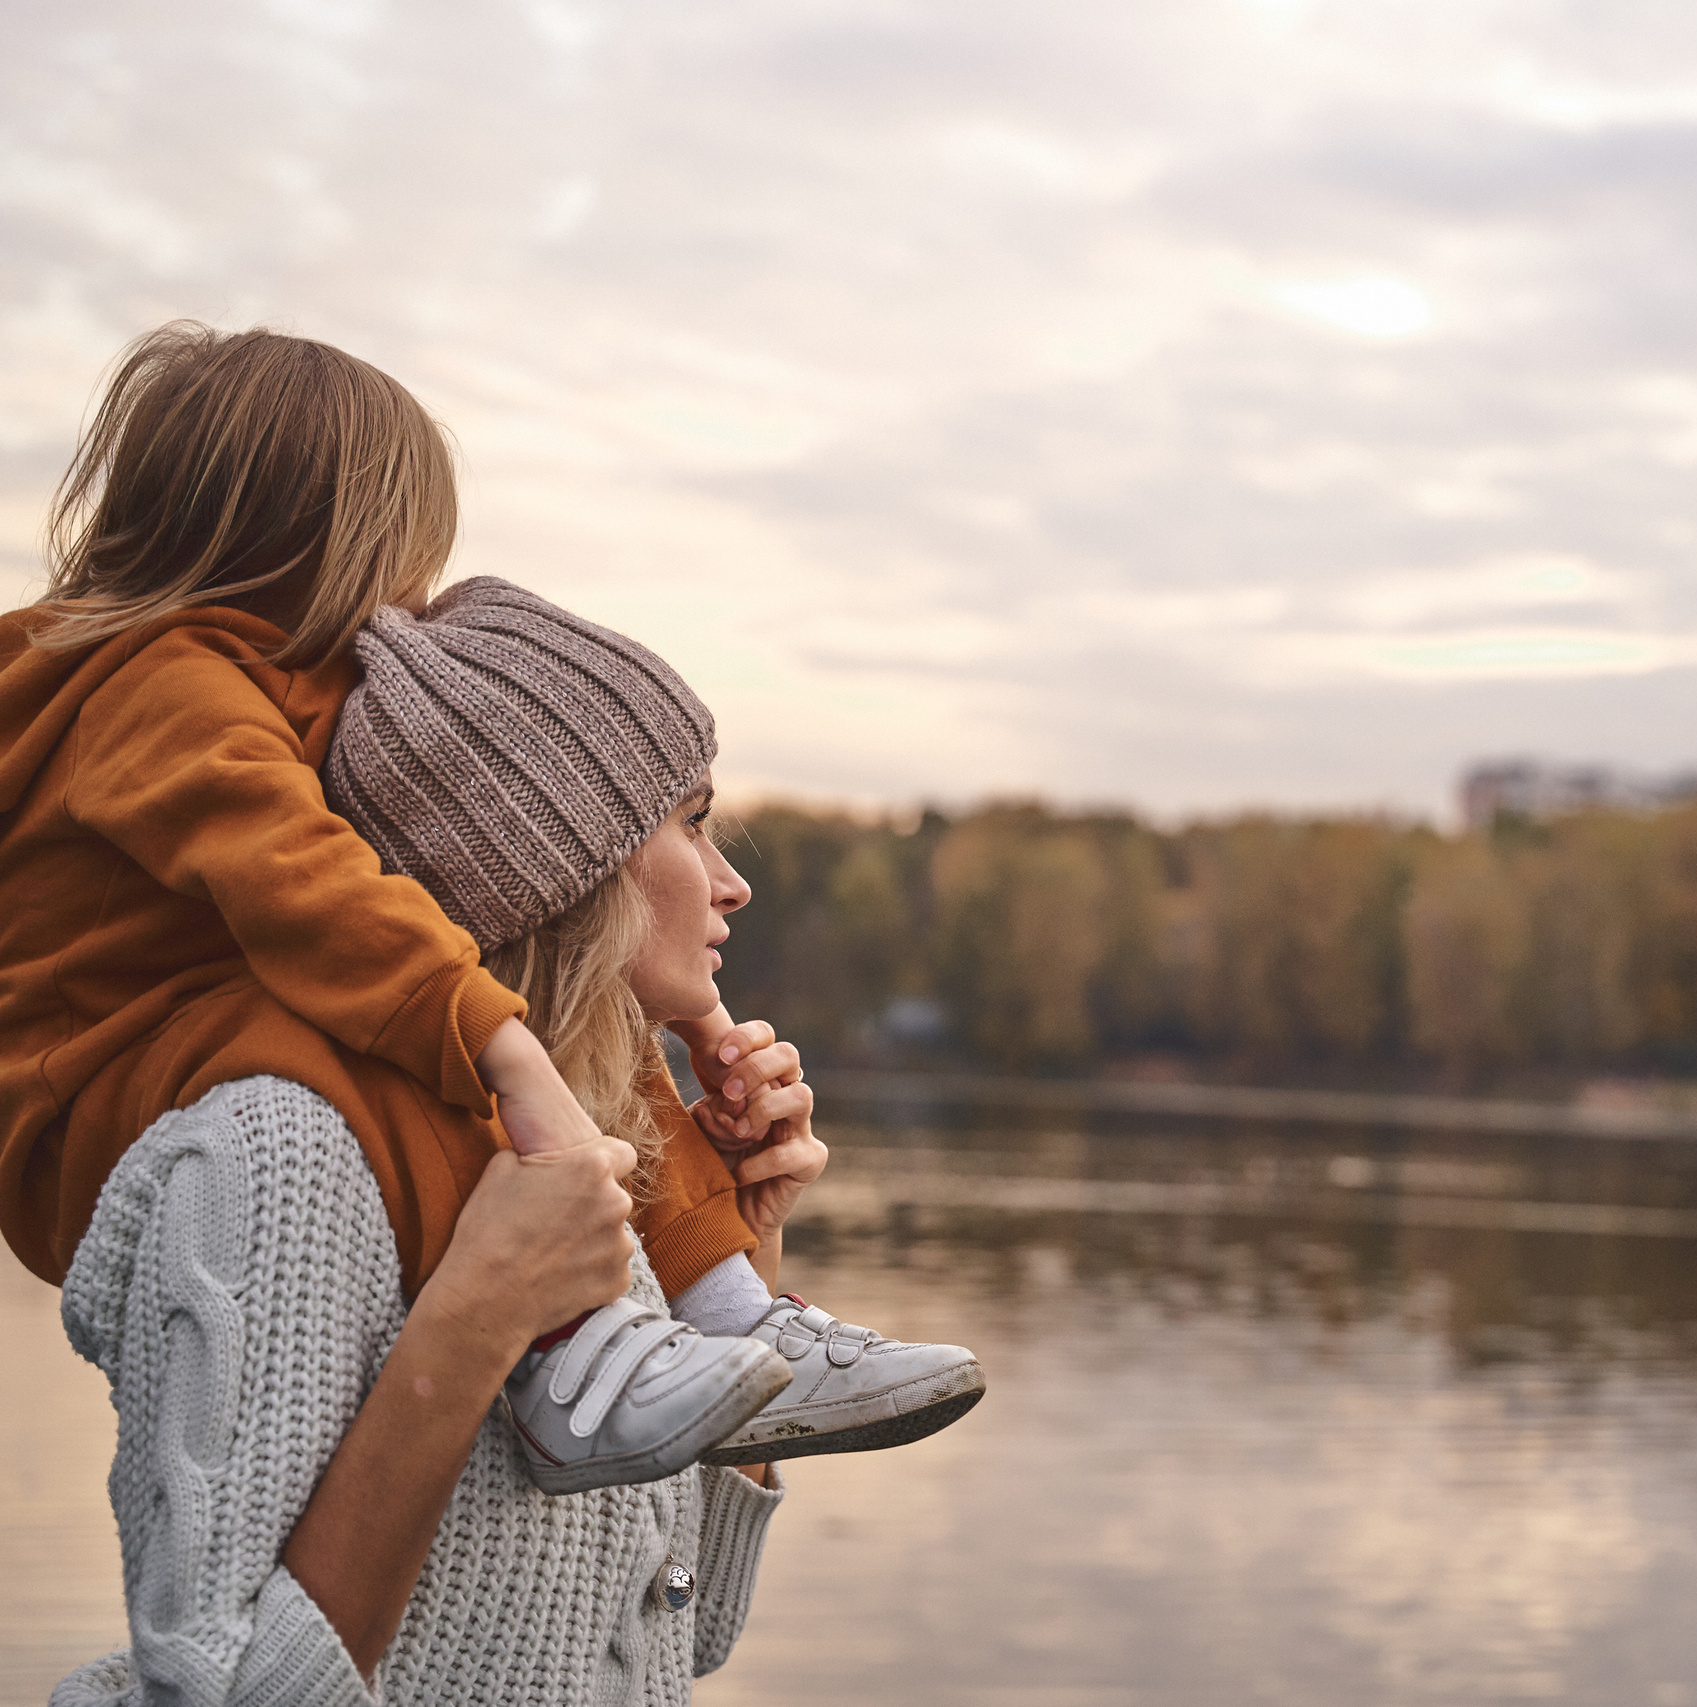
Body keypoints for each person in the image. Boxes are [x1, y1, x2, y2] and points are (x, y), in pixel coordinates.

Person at [0, 321, 973, 1492]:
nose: (411, 602)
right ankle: (572, 1350)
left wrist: (738, 1206)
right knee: (376, 1035)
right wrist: (504, 1048)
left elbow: (690, 1641)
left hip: (186, 1043)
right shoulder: (166, 683)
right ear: (323, 542)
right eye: (405, 556)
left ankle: (732, 1309)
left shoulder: (262, 679)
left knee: (594, 1028)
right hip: (89, 1095)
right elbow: (306, 881)